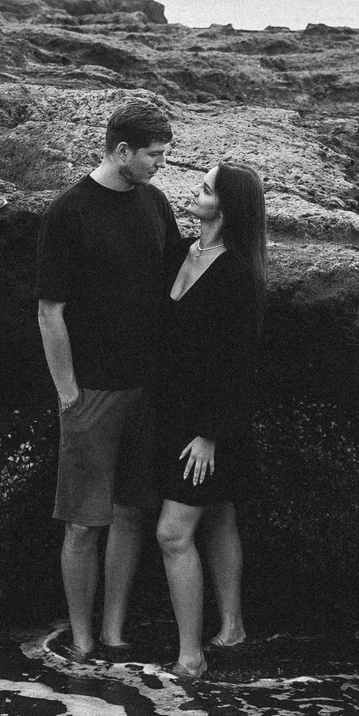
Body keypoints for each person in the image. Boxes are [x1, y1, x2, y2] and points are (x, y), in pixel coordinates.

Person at [36, 99, 185, 660]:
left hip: (145, 386)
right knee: (81, 524)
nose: (159, 165)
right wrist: (68, 394)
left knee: (131, 513)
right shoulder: (70, 212)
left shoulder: (154, 202)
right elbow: (50, 310)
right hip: (91, 392)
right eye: (153, 155)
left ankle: (115, 632)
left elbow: (177, 276)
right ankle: (80, 639)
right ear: (122, 151)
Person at [151, 161, 267, 682]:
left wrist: (209, 435)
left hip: (209, 429)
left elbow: (240, 365)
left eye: (204, 188)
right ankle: (232, 629)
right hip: (170, 415)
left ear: (227, 206)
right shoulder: (181, 252)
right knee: (218, 516)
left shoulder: (239, 276)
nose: (193, 193)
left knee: (174, 534)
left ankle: (190, 658)